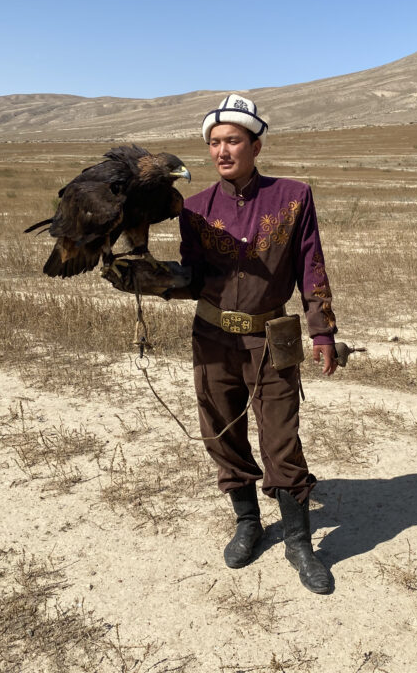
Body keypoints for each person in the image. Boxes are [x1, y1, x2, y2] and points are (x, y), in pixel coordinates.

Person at [109, 94, 339, 594]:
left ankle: (300, 542)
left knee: (282, 438)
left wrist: (322, 330)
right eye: (214, 143)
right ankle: (248, 522)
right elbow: (195, 276)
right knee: (220, 433)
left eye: (232, 140)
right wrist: (149, 279)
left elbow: (311, 266)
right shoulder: (193, 208)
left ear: (255, 144)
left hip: (272, 338)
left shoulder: (294, 197)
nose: (221, 151)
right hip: (211, 336)